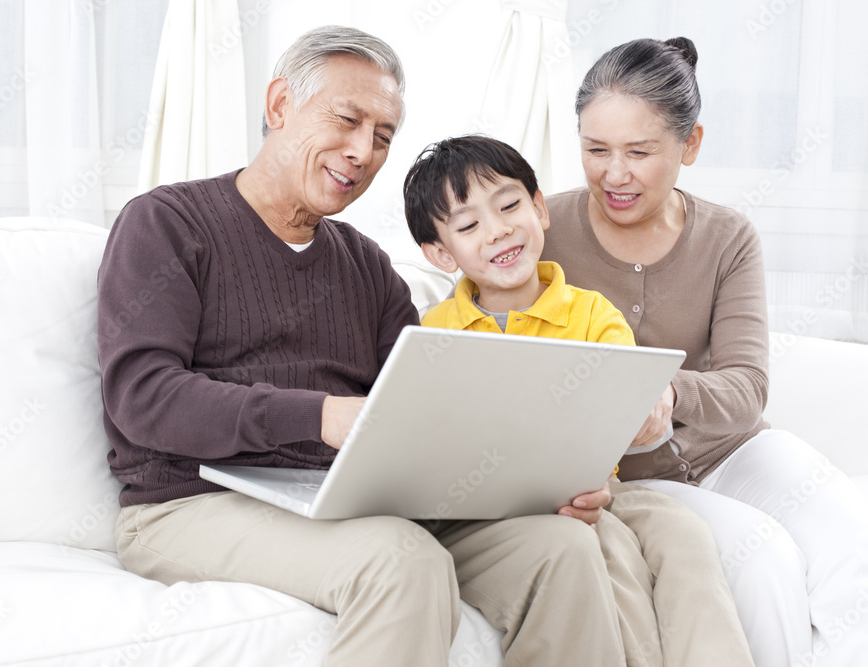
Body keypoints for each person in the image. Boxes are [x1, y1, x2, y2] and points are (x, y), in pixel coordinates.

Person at [98, 25, 648, 666]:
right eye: (347, 119)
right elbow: (142, 397)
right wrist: (320, 415)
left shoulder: (366, 266)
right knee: (401, 561)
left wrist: (549, 479)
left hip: (344, 500)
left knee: (565, 550)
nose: (363, 150)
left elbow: (435, 412)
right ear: (279, 105)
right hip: (191, 501)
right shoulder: (167, 223)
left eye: (383, 136)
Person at [541, 36, 868, 667]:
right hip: (635, 478)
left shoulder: (727, 236)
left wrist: (667, 391)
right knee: (764, 560)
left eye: (640, 152)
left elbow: (747, 388)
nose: (614, 173)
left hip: (735, 449)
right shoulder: (544, 231)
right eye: (595, 150)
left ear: (690, 144)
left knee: (853, 541)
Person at [403, 133, 755, 667]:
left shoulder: (593, 315)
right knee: (608, 552)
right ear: (439, 253)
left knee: (682, 532)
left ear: (540, 207)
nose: (498, 231)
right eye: (469, 225)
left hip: (598, 486)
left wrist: (641, 418)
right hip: (491, 505)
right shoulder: (435, 332)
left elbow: (624, 406)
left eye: (509, 206)